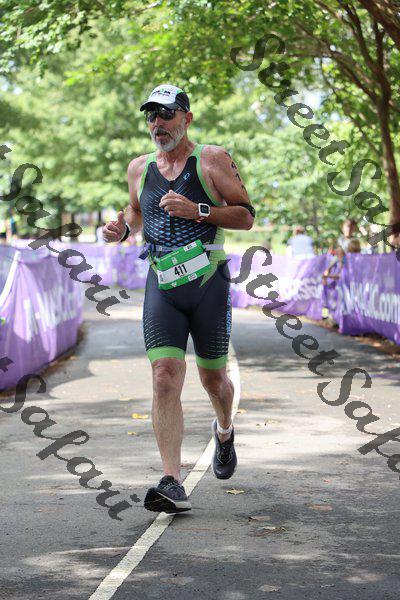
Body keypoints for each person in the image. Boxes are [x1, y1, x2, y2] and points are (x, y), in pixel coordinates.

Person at [102, 84, 255, 513]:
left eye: (166, 114)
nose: (157, 123)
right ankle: (172, 479)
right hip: (162, 283)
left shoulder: (212, 160)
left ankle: (224, 430)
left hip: (208, 282)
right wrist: (122, 228)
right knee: (164, 376)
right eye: (151, 115)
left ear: (186, 118)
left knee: (214, 381)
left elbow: (245, 215)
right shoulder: (139, 168)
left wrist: (199, 210)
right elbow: (136, 211)